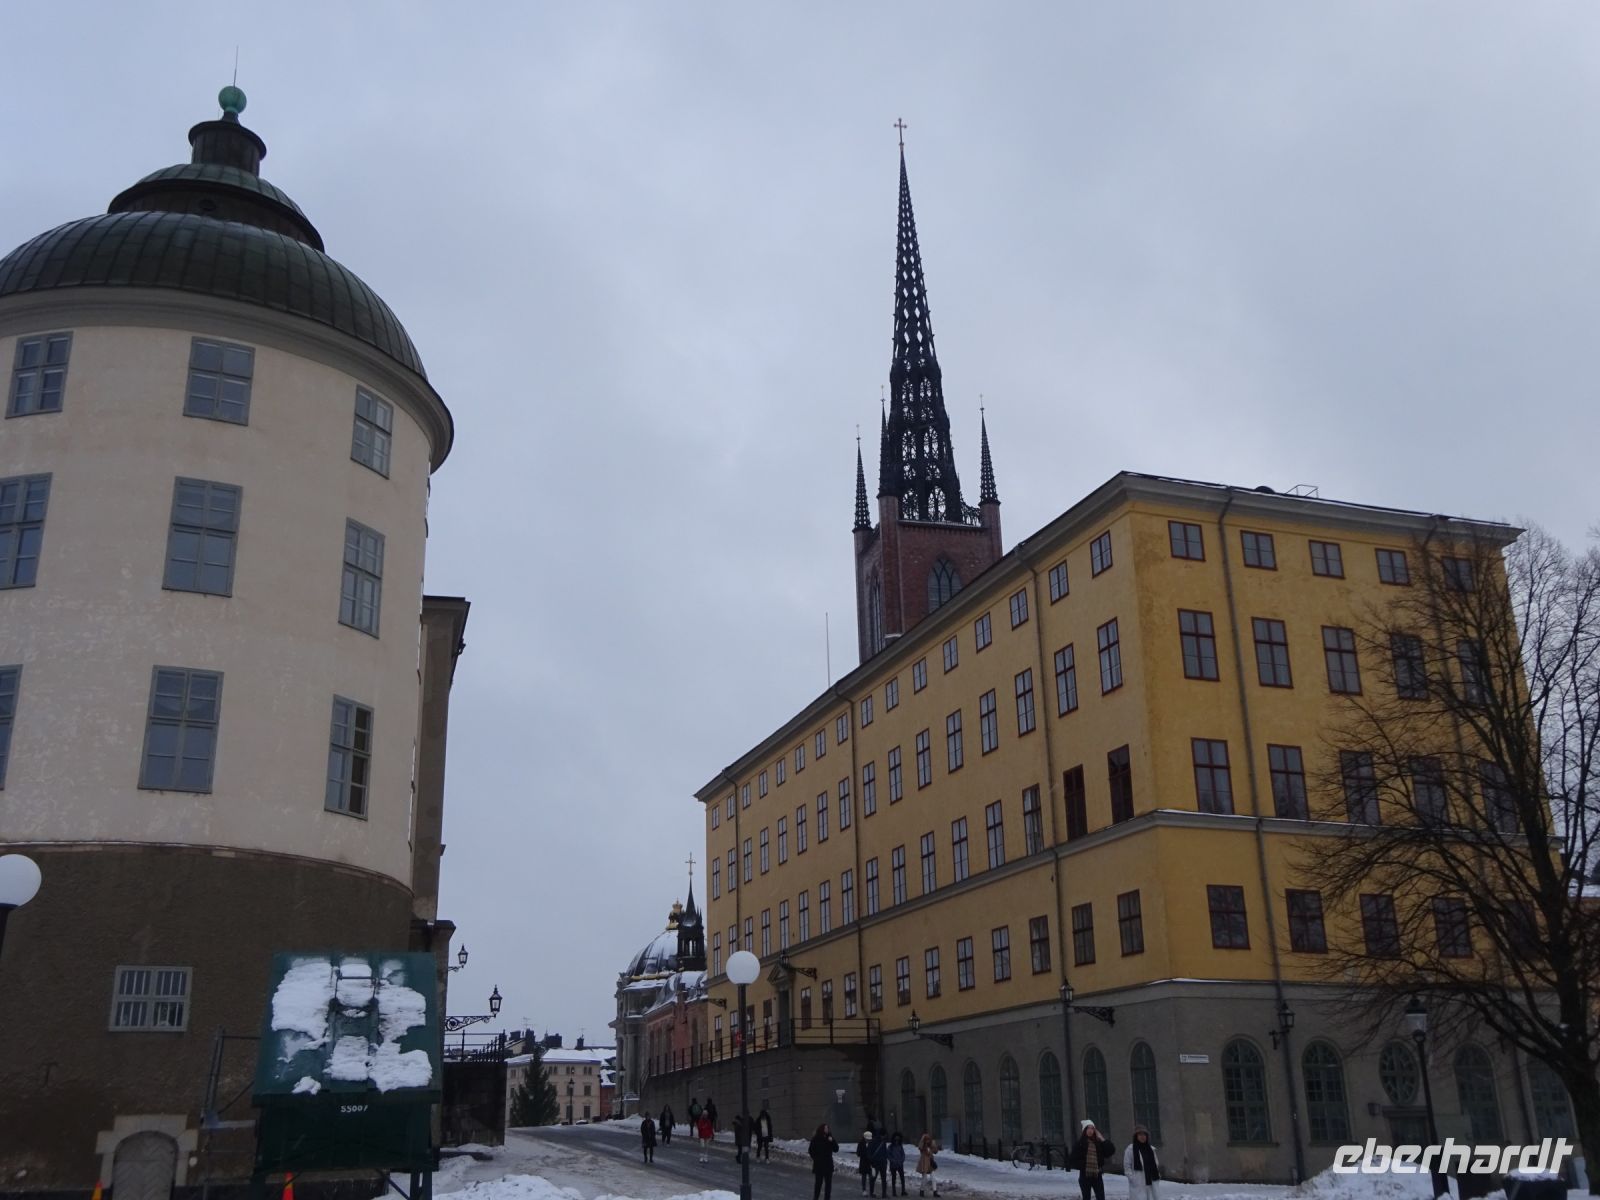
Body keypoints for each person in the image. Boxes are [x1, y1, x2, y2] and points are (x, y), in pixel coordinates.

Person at [1069, 1119, 1116, 1200]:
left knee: (1101, 1197)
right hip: (1085, 1175)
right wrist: (1084, 1165)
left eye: (1092, 1128)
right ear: (1084, 1130)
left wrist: (1102, 1139)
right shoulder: (1080, 1143)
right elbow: (1072, 1160)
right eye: (1088, 1128)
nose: (1090, 1130)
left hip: (1097, 1175)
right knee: (1086, 1197)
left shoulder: (1098, 1143)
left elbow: (1111, 1151)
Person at [1123, 1125, 1161, 1200]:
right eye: (1140, 1134)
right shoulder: (1130, 1149)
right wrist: (1132, 1179)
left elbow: (1156, 1163)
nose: (1142, 1136)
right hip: (1138, 1183)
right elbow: (1127, 1166)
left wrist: (1157, 1174)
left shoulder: (1151, 1149)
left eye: (1144, 1134)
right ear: (1136, 1136)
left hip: (1151, 1182)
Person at [810, 1123, 841, 1200]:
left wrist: (832, 1141)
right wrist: (816, 1159)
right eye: (826, 1128)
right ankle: (816, 1198)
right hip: (819, 1165)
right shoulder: (816, 1139)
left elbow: (836, 1149)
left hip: (828, 1165)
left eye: (828, 1128)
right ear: (822, 1129)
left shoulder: (830, 1137)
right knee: (818, 1184)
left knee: (828, 1185)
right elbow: (811, 1150)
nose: (827, 1130)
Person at [915, 1132, 940, 1198]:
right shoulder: (923, 1146)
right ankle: (921, 1190)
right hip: (924, 1163)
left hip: (930, 1162)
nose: (928, 1141)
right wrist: (923, 1139)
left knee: (933, 1178)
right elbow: (920, 1146)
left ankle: (935, 1192)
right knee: (924, 1178)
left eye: (929, 1139)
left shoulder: (931, 1145)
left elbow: (936, 1151)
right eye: (926, 1139)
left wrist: (934, 1144)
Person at [870, 1128, 891, 1196]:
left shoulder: (883, 1141)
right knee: (874, 1178)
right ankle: (872, 1192)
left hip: (882, 1162)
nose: (885, 1137)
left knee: (883, 1179)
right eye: (884, 1135)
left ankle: (884, 1193)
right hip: (876, 1162)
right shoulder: (875, 1141)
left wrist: (886, 1159)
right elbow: (870, 1151)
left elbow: (884, 1151)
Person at [888, 1132, 907, 1196]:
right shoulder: (890, 1147)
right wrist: (893, 1161)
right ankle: (894, 1192)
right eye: (895, 1140)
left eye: (898, 1140)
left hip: (900, 1164)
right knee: (894, 1178)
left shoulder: (900, 1146)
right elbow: (888, 1155)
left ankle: (903, 1191)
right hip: (893, 1165)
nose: (897, 1141)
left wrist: (901, 1160)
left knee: (902, 1178)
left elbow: (903, 1154)